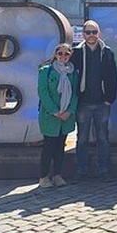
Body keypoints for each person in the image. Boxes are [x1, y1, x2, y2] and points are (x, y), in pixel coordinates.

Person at [71, 20, 117, 181]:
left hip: (101, 103)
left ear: (99, 33)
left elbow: (113, 77)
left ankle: (104, 169)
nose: (91, 35)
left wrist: (109, 98)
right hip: (83, 103)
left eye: (94, 32)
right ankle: (81, 169)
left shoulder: (107, 52)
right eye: (88, 32)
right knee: (82, 138)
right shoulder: (76, 53)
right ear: (83, 34)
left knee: (103, 138)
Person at [36, 43, 79, 188]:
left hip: (66, 116)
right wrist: (55, 111)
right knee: (49, 146)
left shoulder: (73, 72)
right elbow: (43, 92)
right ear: (55, 54)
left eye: (67, 54)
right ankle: (43, 176)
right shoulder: (46, 71)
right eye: (60, 53)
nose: (63, 56)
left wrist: (69, 111)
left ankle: (57, 175)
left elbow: (75, 93)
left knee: (61, 146)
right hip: (50, 115)